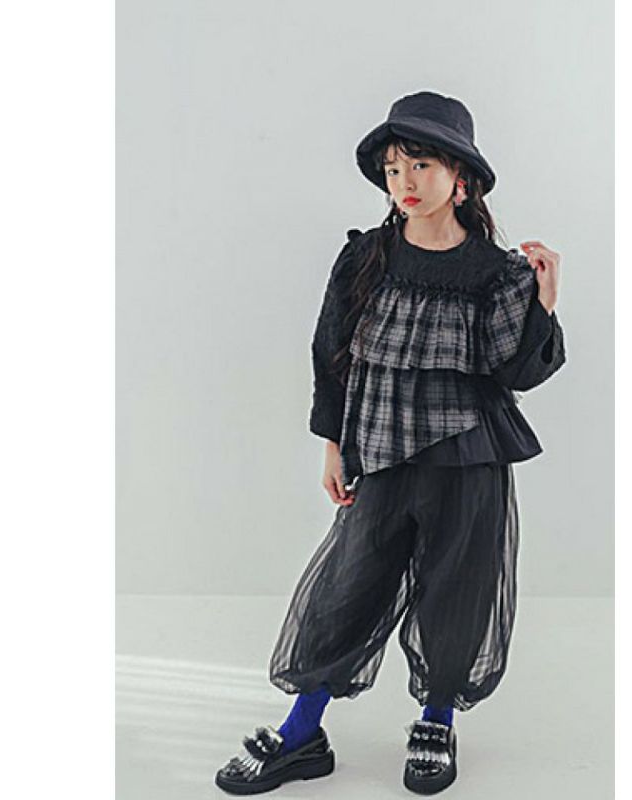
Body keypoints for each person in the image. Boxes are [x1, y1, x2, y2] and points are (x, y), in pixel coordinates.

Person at [215, 90, 566, 796]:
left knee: (455, 593)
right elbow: (331, 353)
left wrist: (545, 304)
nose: (404, 182)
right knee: (347, 589)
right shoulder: (365, 258)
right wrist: (333, 444)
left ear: (461, 178)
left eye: (421, 165)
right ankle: (302, 733)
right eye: (393, 168)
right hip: (379, 452)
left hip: (467, 460)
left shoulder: (496, 272)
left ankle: (437, 721)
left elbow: (516, 372)